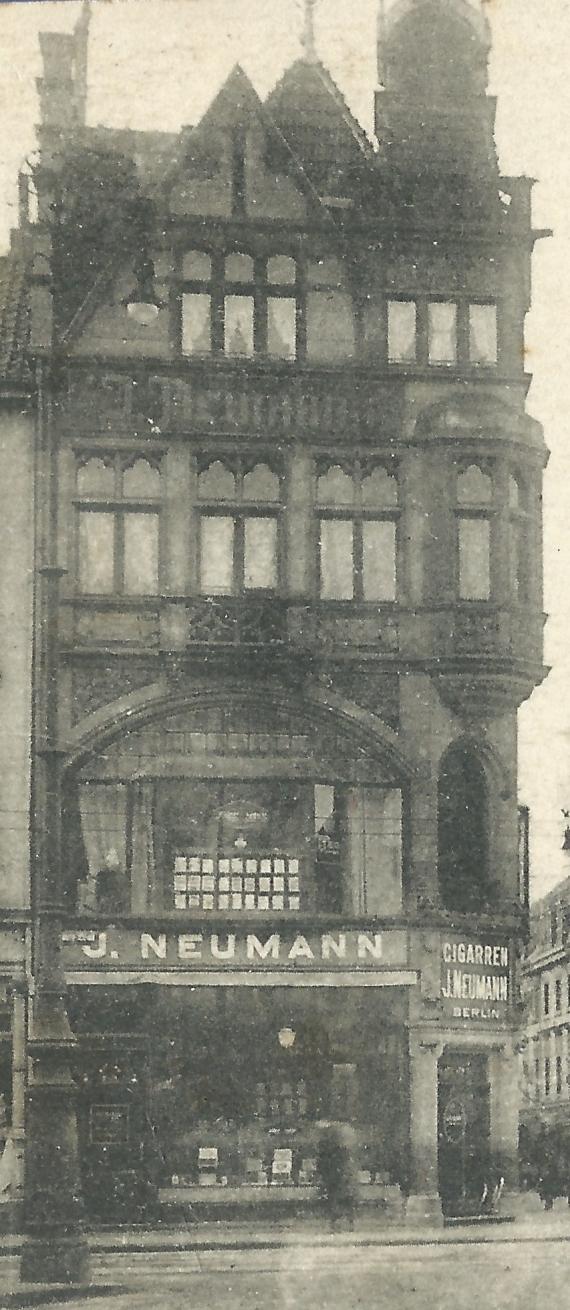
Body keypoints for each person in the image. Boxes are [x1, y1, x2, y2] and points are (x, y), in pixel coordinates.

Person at [316, 1122, 359, 1231]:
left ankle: (337, 1223)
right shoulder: (344, 1153)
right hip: (340, 1179)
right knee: (345, 1201)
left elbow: (324, 1164)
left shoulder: (331, 1151)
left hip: (336, 1179)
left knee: (336, 1201)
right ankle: (347, 1223)